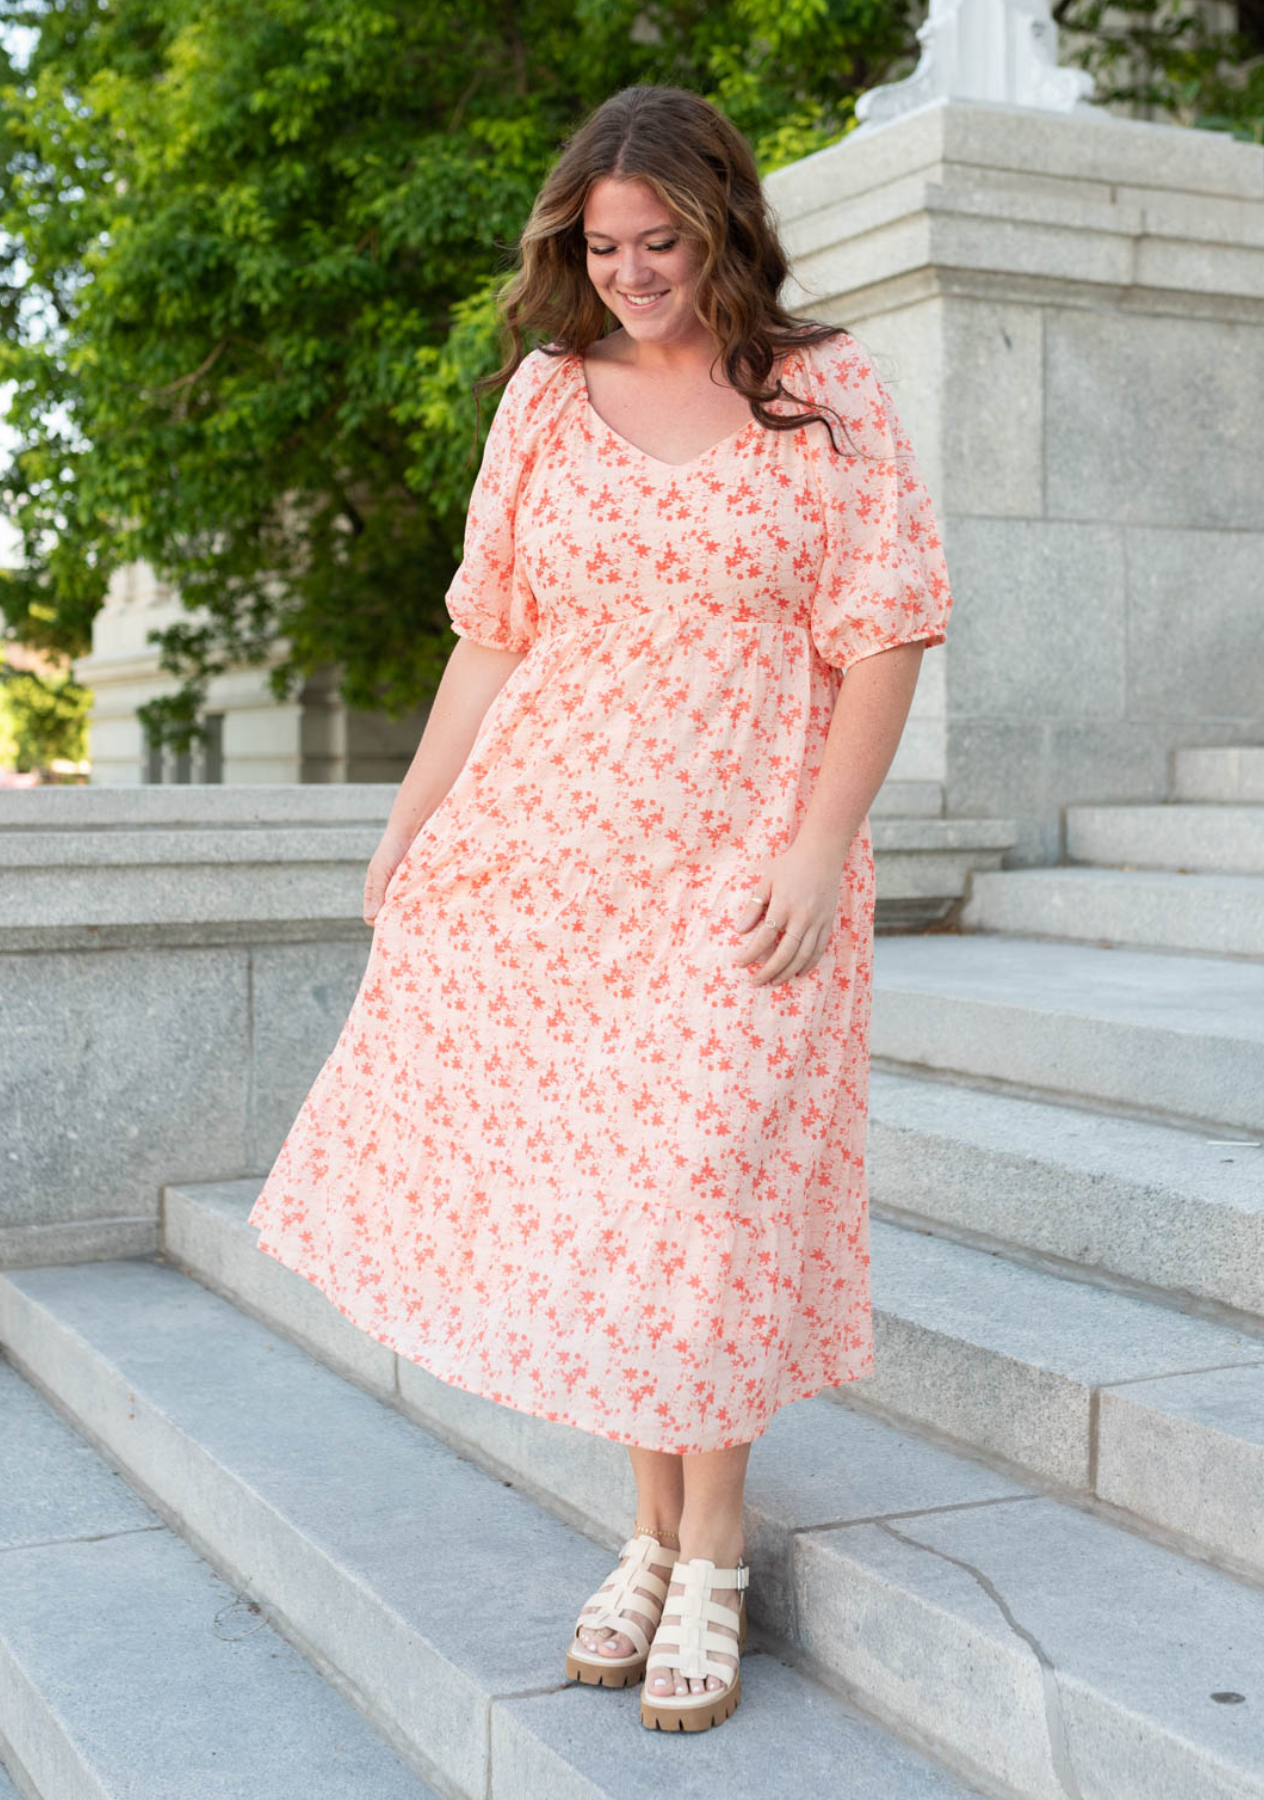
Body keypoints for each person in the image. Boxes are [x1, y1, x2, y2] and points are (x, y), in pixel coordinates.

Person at [247, 82, 952, 1735]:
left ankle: (710, 1556)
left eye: (660, 240)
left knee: (704, 1189)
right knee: (628, 1209)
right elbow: (492, 630)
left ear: (724, 224)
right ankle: (647, 1536)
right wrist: (409, 825)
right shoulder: (546, 403)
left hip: (748, 861)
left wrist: (819, 847)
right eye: (600, 244)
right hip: (556, 858)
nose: (628, 271)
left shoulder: (828, 394)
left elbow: (889, 632)